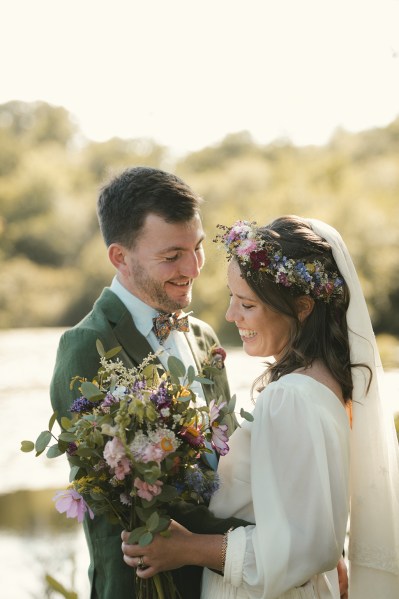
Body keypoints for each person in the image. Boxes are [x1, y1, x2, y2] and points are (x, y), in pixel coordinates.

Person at [121, 216, 399, 598]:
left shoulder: (293, 397)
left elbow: (302, 549)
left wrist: (185, 549)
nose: (231, 315)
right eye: (231, 298)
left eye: (247, 304)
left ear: (302, 306)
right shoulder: (324, 382)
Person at [50, 166, 246, 599]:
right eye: (171, 256)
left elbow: (230, 459)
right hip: (141, 588)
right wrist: (262, 544)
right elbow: (115, 499)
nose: (193, 269)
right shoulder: (85, 346)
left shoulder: (204, 338)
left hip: (224, 583)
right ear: (120, 257)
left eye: (197, 249)